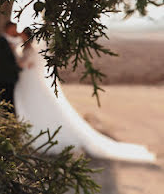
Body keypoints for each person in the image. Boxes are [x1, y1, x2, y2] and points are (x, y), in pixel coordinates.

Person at [13, 28, 156, 163]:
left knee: (39, 107)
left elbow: (24, 64)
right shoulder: (30, 48)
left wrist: (14, 54)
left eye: (22, 35)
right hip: (29, 81)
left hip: (30, 80)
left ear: (26, 37)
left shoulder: (30, 49)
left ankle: (43, 135)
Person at [0, 22, 23, 114]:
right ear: (9, 29)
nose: (16, 31)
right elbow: (5, 62)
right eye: (14, 29)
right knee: (7, 103)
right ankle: (8, 123)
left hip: (7, 79)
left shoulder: (6, 41)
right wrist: (19, 68)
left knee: (8, 103)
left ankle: (9, 122)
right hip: (5, 79)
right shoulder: (2, 41)